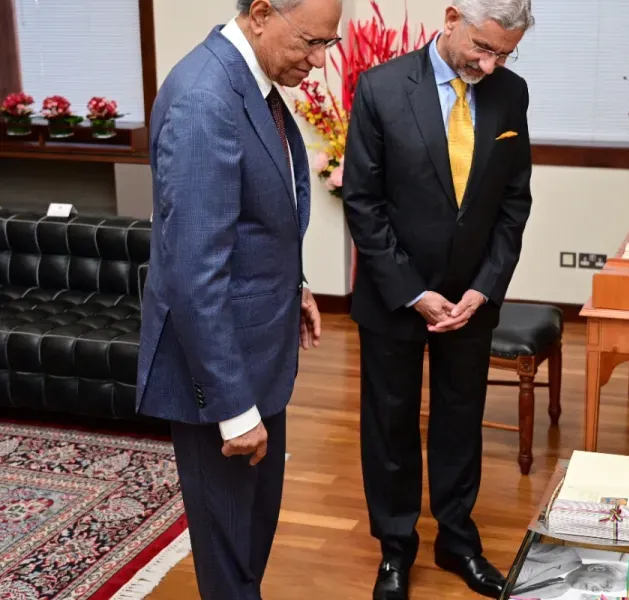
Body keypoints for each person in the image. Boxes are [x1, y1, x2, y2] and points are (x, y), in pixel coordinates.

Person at [135, 0, 340, 597]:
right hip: (217, 379)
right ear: (259, 13)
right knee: (229, 567)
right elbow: (193, 273)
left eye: (331, 43)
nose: (320, 60)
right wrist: (233, 407)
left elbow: (255, 220)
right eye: (310, 42)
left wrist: (293, 285)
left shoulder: (252, 81)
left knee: (249, 548)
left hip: (257, 352)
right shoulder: (205, 99)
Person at [340, 0, 534, 597]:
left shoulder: (510, 93)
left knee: (459, 422)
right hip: (396, 296)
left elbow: (513, 202)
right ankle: (395, 550)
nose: (490, 62)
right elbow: (363, 205)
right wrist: (413, 291)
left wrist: (485, 286)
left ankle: (458, 541)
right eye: (483, 46)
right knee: (391, 424)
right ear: (451, 18)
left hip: (471, 299)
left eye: (504, 52)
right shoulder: (378, 88)